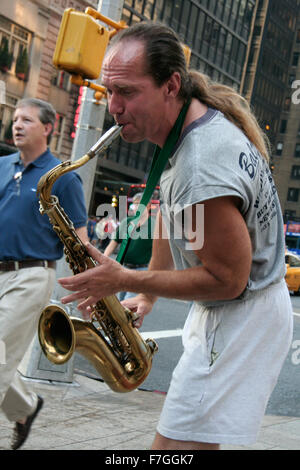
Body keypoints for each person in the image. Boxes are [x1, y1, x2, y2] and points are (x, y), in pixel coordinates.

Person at [58, 22, 293, 450]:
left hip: (238, 316)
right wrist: (149, 294)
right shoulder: (191, 128)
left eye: (127, 91)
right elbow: (170, 213)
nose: (113, 106)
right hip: (237, 316)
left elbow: (228, 279)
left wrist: (126, 279)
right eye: (109, 91)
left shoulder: (199, 165)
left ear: (171, 85)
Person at [0, 98, 88, 450]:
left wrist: (89, 290)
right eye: (15, 119)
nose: (17, 125)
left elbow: (80, 240)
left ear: (48, 128)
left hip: (32, 274)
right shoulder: (3, 165)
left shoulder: (63, 177)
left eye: (27, 120)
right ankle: (25, 407)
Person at [104, 192, 155, 300]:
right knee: (119, 301)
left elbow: (159, 252)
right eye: (134, 204)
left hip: (141, 271)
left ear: (149, 205)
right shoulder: (126, 222)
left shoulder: (154, 225)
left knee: (127, 304)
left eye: (139, 204)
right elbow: (113, 244)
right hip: (123, 268)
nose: (136, 207)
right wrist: (102, 260)